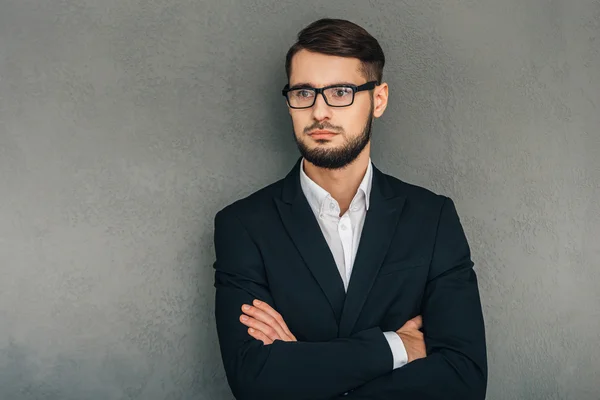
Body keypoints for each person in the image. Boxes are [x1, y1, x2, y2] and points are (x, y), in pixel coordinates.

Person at [213, 18, 487, 400]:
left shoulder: (433, 218)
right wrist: (396, 347)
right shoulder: (242, 225)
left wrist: (302, 366)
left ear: (378, 99)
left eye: (340, 92)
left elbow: (464, 379)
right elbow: (255, 380)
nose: (319, 112)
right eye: (304, 92)